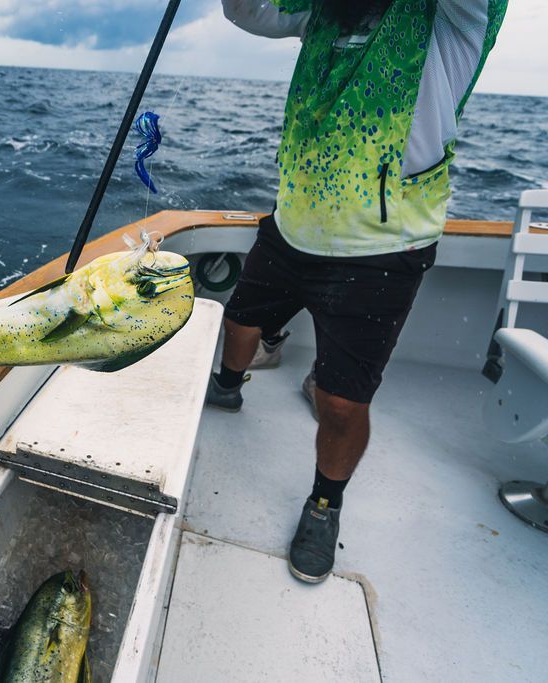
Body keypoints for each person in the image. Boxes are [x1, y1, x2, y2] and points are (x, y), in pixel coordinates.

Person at [211, 0, 507, 583]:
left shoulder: (450, 23)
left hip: (382, 252)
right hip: (294, 224)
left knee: (343, 403)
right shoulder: (320, 10)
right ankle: (226, 388)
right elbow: (246, 10)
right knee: (240, 320)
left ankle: (325, 503)